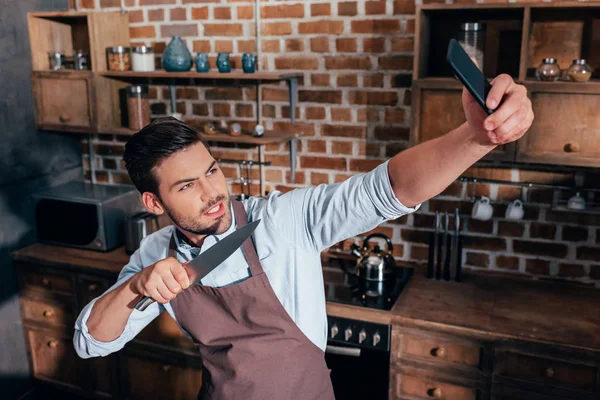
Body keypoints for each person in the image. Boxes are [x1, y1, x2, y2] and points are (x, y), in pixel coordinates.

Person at [73, 74, 533, 399]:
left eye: (211, 170)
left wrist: (476, 138)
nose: (213, 192)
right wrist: (136, 286)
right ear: (154, 203)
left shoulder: (282, 220)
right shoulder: (156, 255)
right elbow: (92, 341)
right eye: (187, 186)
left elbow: (384, 190)